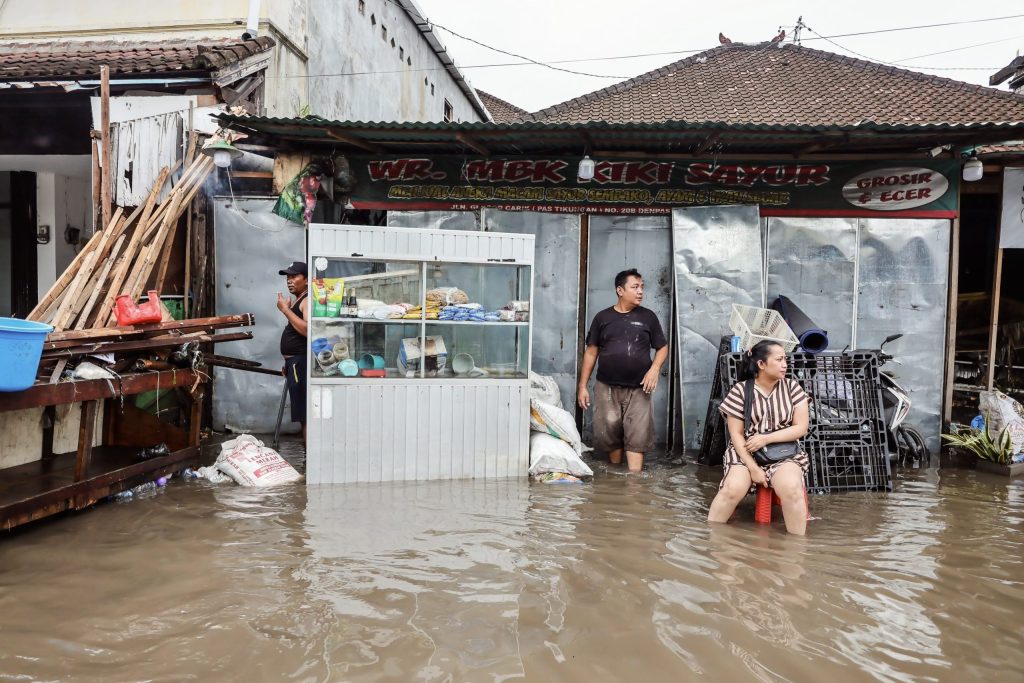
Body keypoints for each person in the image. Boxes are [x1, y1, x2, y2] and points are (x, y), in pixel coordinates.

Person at [707, 340, 810, 535]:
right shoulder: (740, 391)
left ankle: (797, 551)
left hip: (783, 452)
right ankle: (713, 540)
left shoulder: (792, 388)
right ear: (761, 364)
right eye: (779, 360)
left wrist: (766, 438)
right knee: (732, 490)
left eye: (785, 360)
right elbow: (735, 434)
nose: (784, 364)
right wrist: (753, 468)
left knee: (792, 489)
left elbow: (801, 428)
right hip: (745, 453)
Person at [577, 268, 669, 473]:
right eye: (635, 287)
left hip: (639, 389)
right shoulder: (603, 318)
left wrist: (654, 369)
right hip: (606, 388)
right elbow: (591, 353)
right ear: (620, 290)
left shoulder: (648, 317)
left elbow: (662, 347)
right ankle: (616, 480)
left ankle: (634, 486)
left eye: (642, 287)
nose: (640, 292)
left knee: (638, 435)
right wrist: (582, 386)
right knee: (610, 434)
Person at [277, 261, 309, 442]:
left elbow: (307, 330)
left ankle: (308, 465)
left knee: (305, 417)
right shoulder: (299, 299)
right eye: (287, 277)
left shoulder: (306, 301)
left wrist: (285, 310)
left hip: (300, 363)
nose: (289, 281)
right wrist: (288, 363)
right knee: (302, 415)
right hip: (294, 364)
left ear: (306, 280)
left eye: (294, 276)